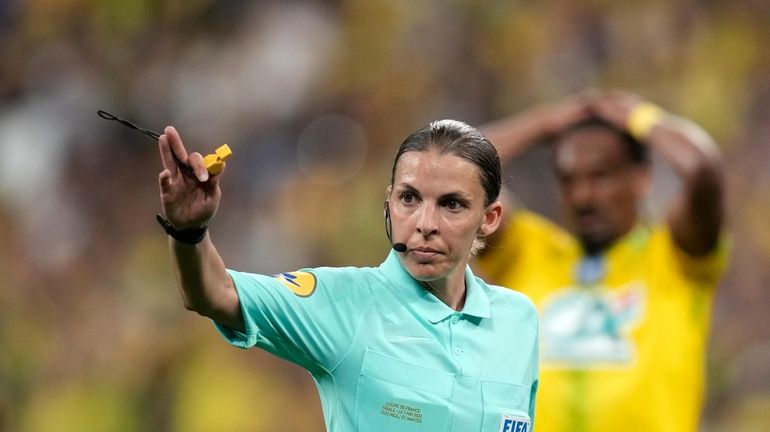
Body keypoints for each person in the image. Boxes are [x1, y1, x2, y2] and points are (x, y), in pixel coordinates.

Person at [156, 119, 539, 431]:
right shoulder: (342, 302)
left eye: (451, 204)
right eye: (409, 199)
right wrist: (188, 232)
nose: (425, 223)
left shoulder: (519, 320)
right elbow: (215, 293)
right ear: (388, 203)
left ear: (488, 220)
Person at [475, 90, 728, 432]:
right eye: (568, 180)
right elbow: (456, 171)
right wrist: (544, 123)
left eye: (600, 176)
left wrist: (642, 118)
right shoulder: (530, 252)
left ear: (642, 179)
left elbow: (702, 171)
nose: (582, 196)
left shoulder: (674, 258)